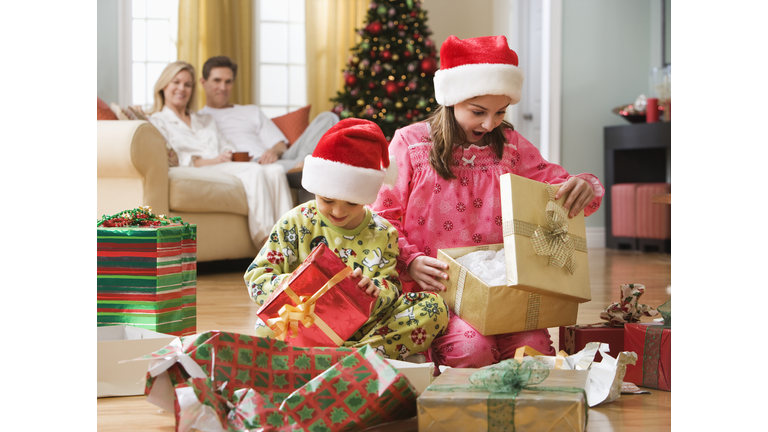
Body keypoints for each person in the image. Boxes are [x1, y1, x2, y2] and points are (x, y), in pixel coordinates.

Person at [370, 35, 605, 369]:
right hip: (438, 291)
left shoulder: (509, 145)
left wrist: (579, 185)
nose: (489, 123)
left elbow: (552, 182)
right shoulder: (410, 143)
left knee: (535, 351)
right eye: (478, 112)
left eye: (500, 112)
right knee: (472, 350)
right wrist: (410, 261)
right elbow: (382, 215)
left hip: (502, 290)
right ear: (452, 99)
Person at [244, 118, 450, 361]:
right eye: (327, 200)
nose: (338, 212)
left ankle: (340, 356)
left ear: (367, 197)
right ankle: (362, 356)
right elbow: (257, 278)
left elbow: (391, 286)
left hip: (366, 326)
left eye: (352, 203)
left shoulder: (383, 233)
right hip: (308, 321)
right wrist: (298, 284)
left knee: (433, 308)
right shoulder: (295, 223)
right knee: (266, 328)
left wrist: (376, 290)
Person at [147, 61, 294, 247]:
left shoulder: (204, 119)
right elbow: (176, 159)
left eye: (187, 84)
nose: (181, 89)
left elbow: (227, 145)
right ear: (164, 86)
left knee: (275, 170)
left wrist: (228, 154)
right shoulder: (157, 121)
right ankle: (267, 243)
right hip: (200, 169)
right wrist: (214, 160)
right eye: (176, 82)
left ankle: (290, 238)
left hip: (224, 165)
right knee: (254, 172)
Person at [198, 55, 339, 174]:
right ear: (203, 82)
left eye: (228, 82)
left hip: (277, 160)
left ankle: (302, 165)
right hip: (252, 166)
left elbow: (280, 146)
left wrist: (273, 152)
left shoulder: (251, 111)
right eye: (217, 80)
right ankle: (305, 168)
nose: (223, 87)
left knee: (328, 117)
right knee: (315, 169)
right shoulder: (198, 120)